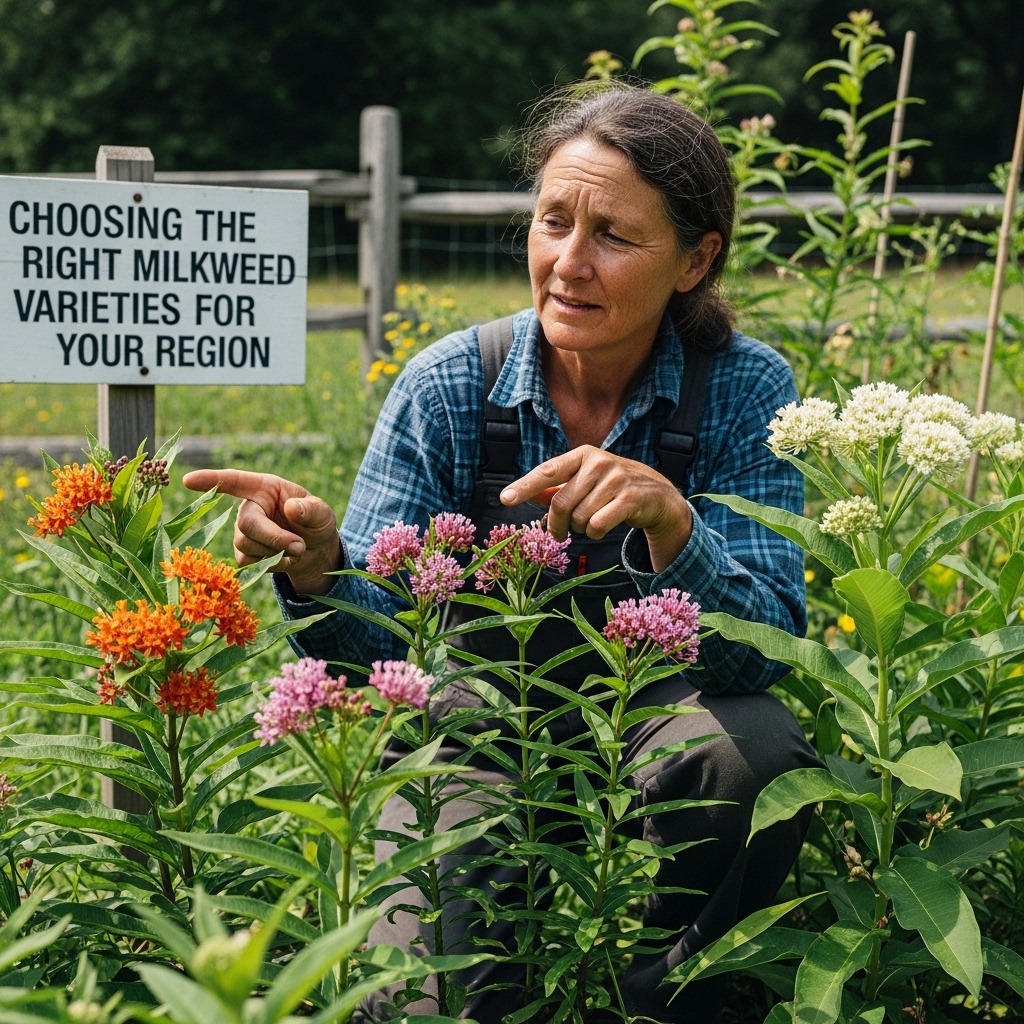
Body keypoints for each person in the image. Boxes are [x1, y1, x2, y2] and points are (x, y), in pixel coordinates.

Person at [184, 82, 818, 1023]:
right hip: (471, 725)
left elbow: (767, 652)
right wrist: (320, 569)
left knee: (756, 755)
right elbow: (380, 655)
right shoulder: (450, 384)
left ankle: (673, 1003)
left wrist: (675, 533)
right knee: (430, 994)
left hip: (653, 714)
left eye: (612, 235)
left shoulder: (742, 388)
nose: (568, 262)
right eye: (552, 221)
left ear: (696, 260)